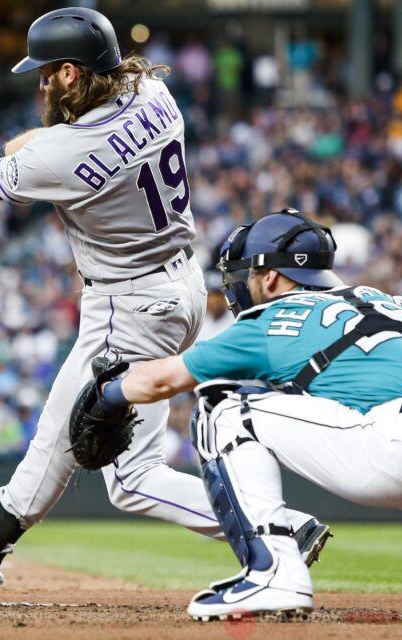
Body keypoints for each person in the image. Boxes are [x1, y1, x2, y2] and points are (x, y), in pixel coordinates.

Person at [0, 8, 328, 608]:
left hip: (129, 303)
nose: (41, 83)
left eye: (47, 74)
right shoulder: (151, 90)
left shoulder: (65, 152)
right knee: (119, 467)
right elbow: (38, 148)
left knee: (95, 460)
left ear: (70, 73)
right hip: (180, 286)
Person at [95, 209, 402, 618]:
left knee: (221, 407)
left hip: (390, 445)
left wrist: (108, 395)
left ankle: (274, 572)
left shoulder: (272, 319)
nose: (242, 286)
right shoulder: (385, 300)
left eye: (246, 275)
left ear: (271, 276)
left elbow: (161, 381)